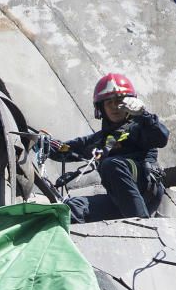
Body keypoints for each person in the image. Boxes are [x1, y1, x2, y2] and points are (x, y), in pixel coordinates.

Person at [48, 73, 169, 222]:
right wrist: (41, 143)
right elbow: (65, 150)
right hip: (120, 201)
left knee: (111, 165)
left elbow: (161, 138)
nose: (114, 107)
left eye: (119, 101)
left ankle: (143, 226)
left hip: (146, 191)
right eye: (108, 103)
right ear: (101, 108)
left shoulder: (140, 128)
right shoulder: (99, 140)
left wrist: (144, 116)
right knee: (73, 207)